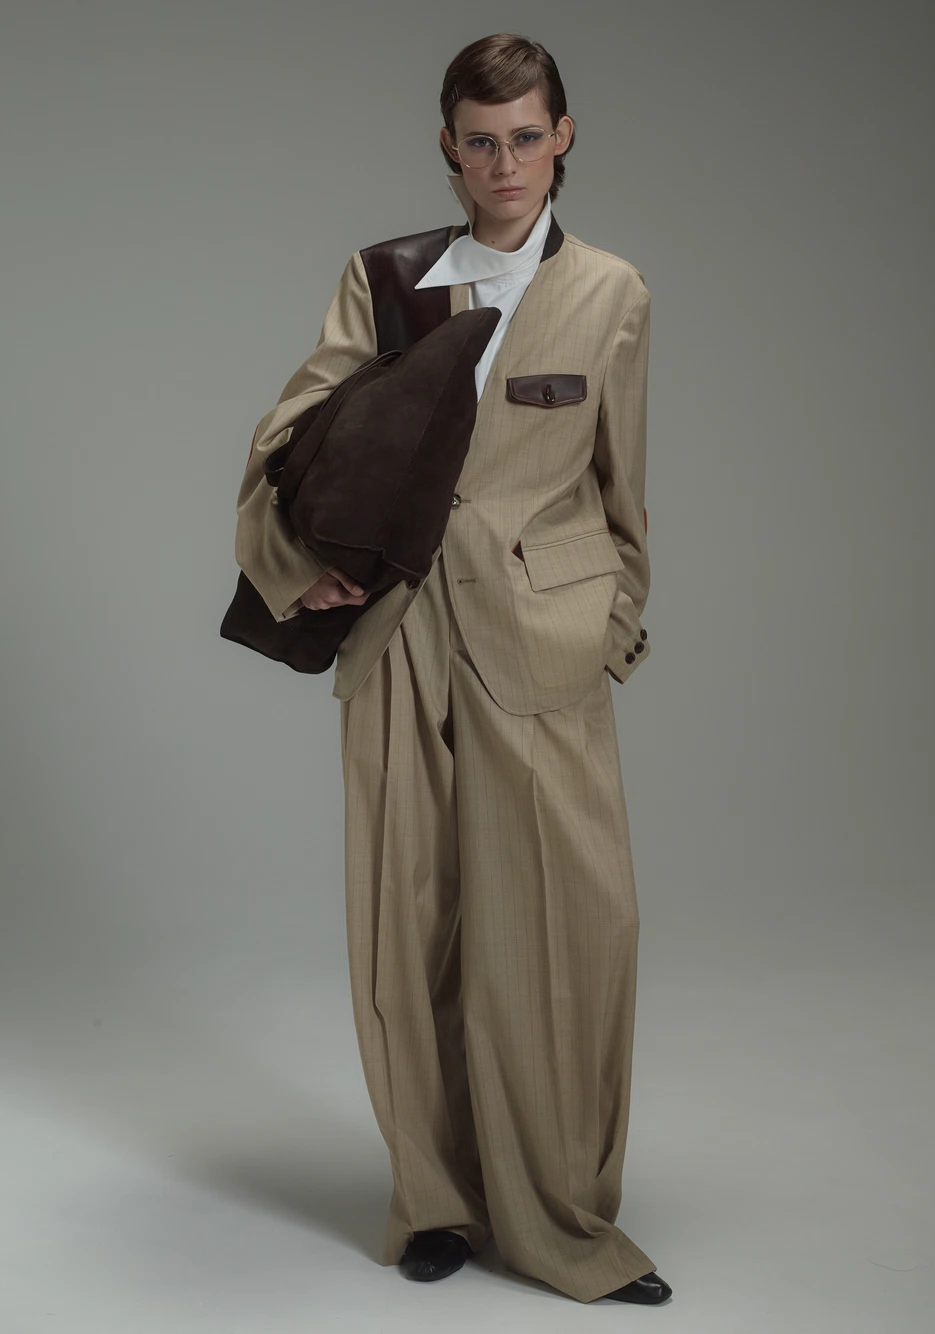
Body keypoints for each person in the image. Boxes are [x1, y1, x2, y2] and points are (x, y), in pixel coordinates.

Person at [233, 32, 668, 1307]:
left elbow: (623, 489)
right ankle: (435, 1200)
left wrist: (609, 626)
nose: (504, 163)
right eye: (480, 141)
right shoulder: (385, 278)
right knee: (406, 921)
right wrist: (292, 565)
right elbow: (286, 439)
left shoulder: (612, 292)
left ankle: (562, 1217)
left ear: (563, 138)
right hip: (397, 631)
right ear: (447, 146)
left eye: (525, 137)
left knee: (568, 932)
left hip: (541, 641)